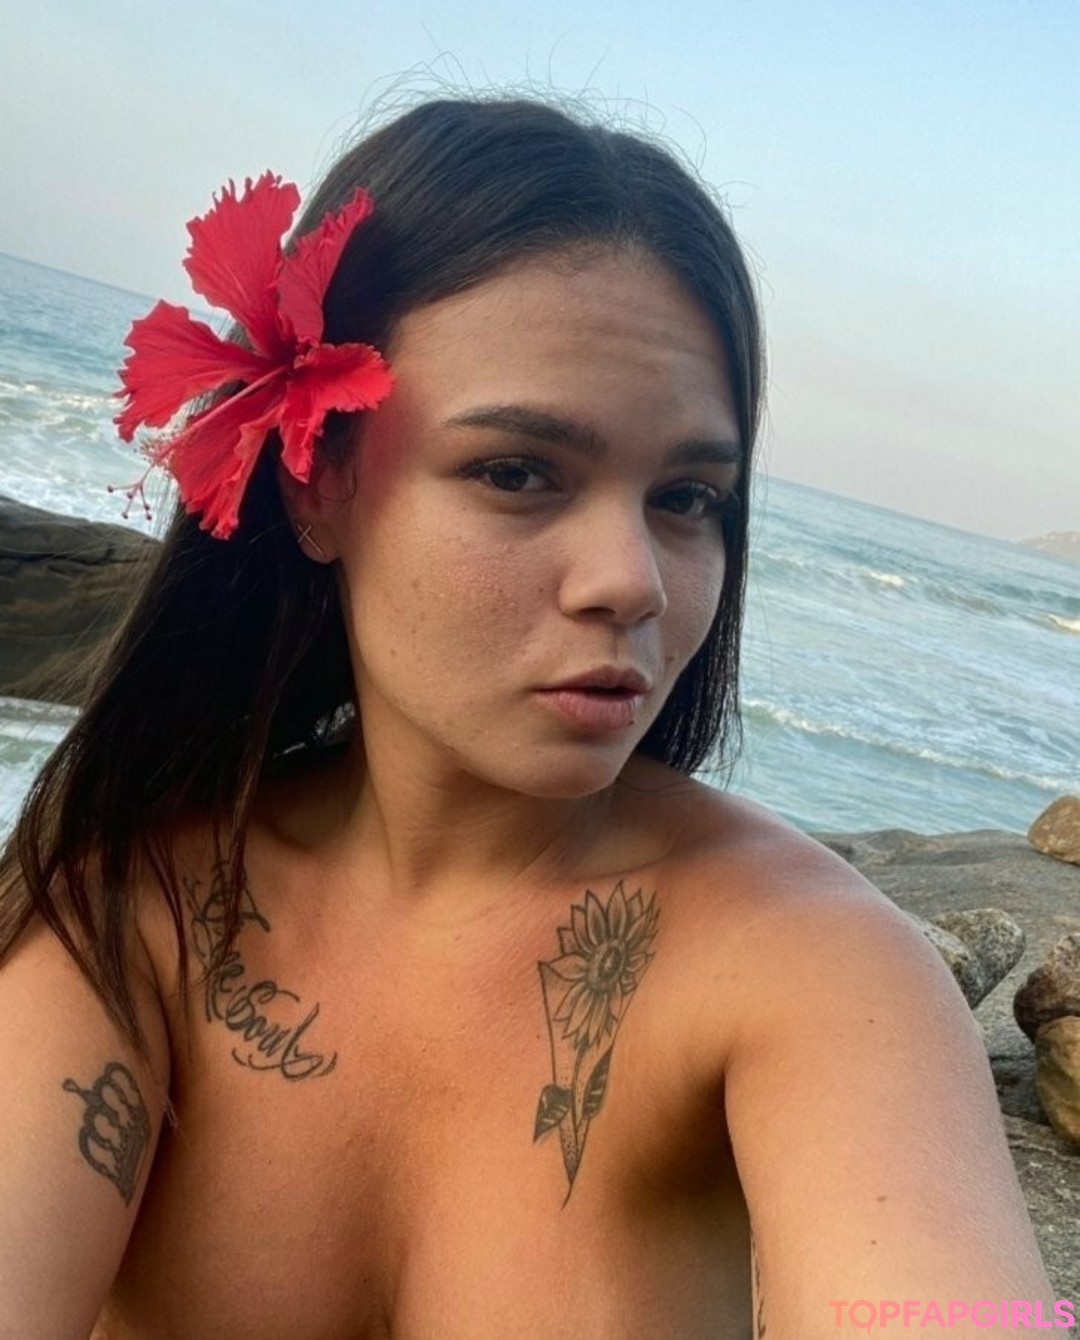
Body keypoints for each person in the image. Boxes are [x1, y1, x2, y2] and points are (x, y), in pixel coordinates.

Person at [0, 95, 1055, 1340]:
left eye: (687, 496)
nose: (632, 580)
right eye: (515, 471)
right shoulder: (129, 904)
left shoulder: (817, 965)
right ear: (317, 483)